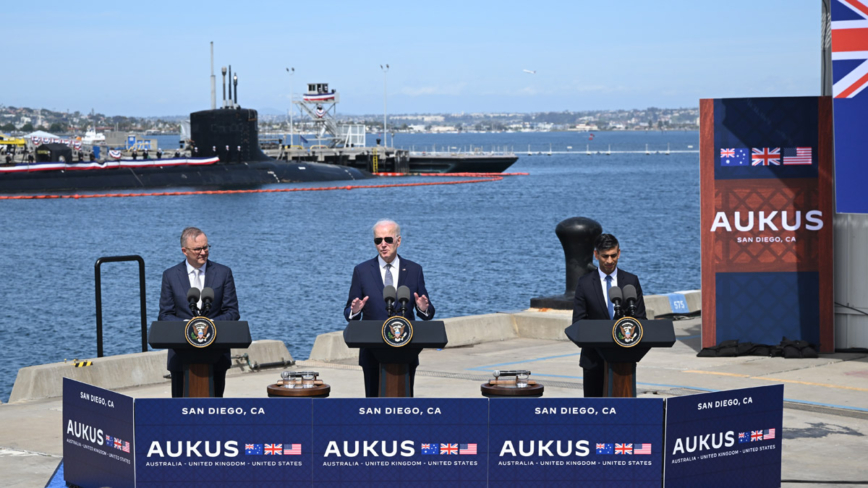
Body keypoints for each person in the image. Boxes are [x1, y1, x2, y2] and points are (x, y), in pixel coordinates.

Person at [344, 220, 435, 397]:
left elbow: (428, 313)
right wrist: (355, 311)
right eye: (378, 240)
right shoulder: (362, 271)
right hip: (372, 353)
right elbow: (348, 313)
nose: (383, 244)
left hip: (406, 352)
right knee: (373, 404)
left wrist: (423, 308)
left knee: (404, 403)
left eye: (388, 239)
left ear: (398, 241)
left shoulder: (414, 270)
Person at [158, 227, 240, 398]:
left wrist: (209, 326)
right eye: (198, 249)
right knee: (180, 408)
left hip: (216, 354)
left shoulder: (223, 273)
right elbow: (165, 315)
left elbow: (232, 312)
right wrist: (188, 327)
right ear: (184, 251)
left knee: (214, 406)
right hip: (181, 355)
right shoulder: (170, 276)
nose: (203, 252)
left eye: (206, 247)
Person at [571, 233, 646, 398]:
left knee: (623, 407)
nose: (610, 261)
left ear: (619, 253)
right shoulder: (584, 283)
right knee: (594, 408)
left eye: (613, 255)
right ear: (596, 255)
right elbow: (578, 322)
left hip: (624, 359)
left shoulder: (631, 281)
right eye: (605, 256)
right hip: (593, 360)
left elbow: (640, 319)